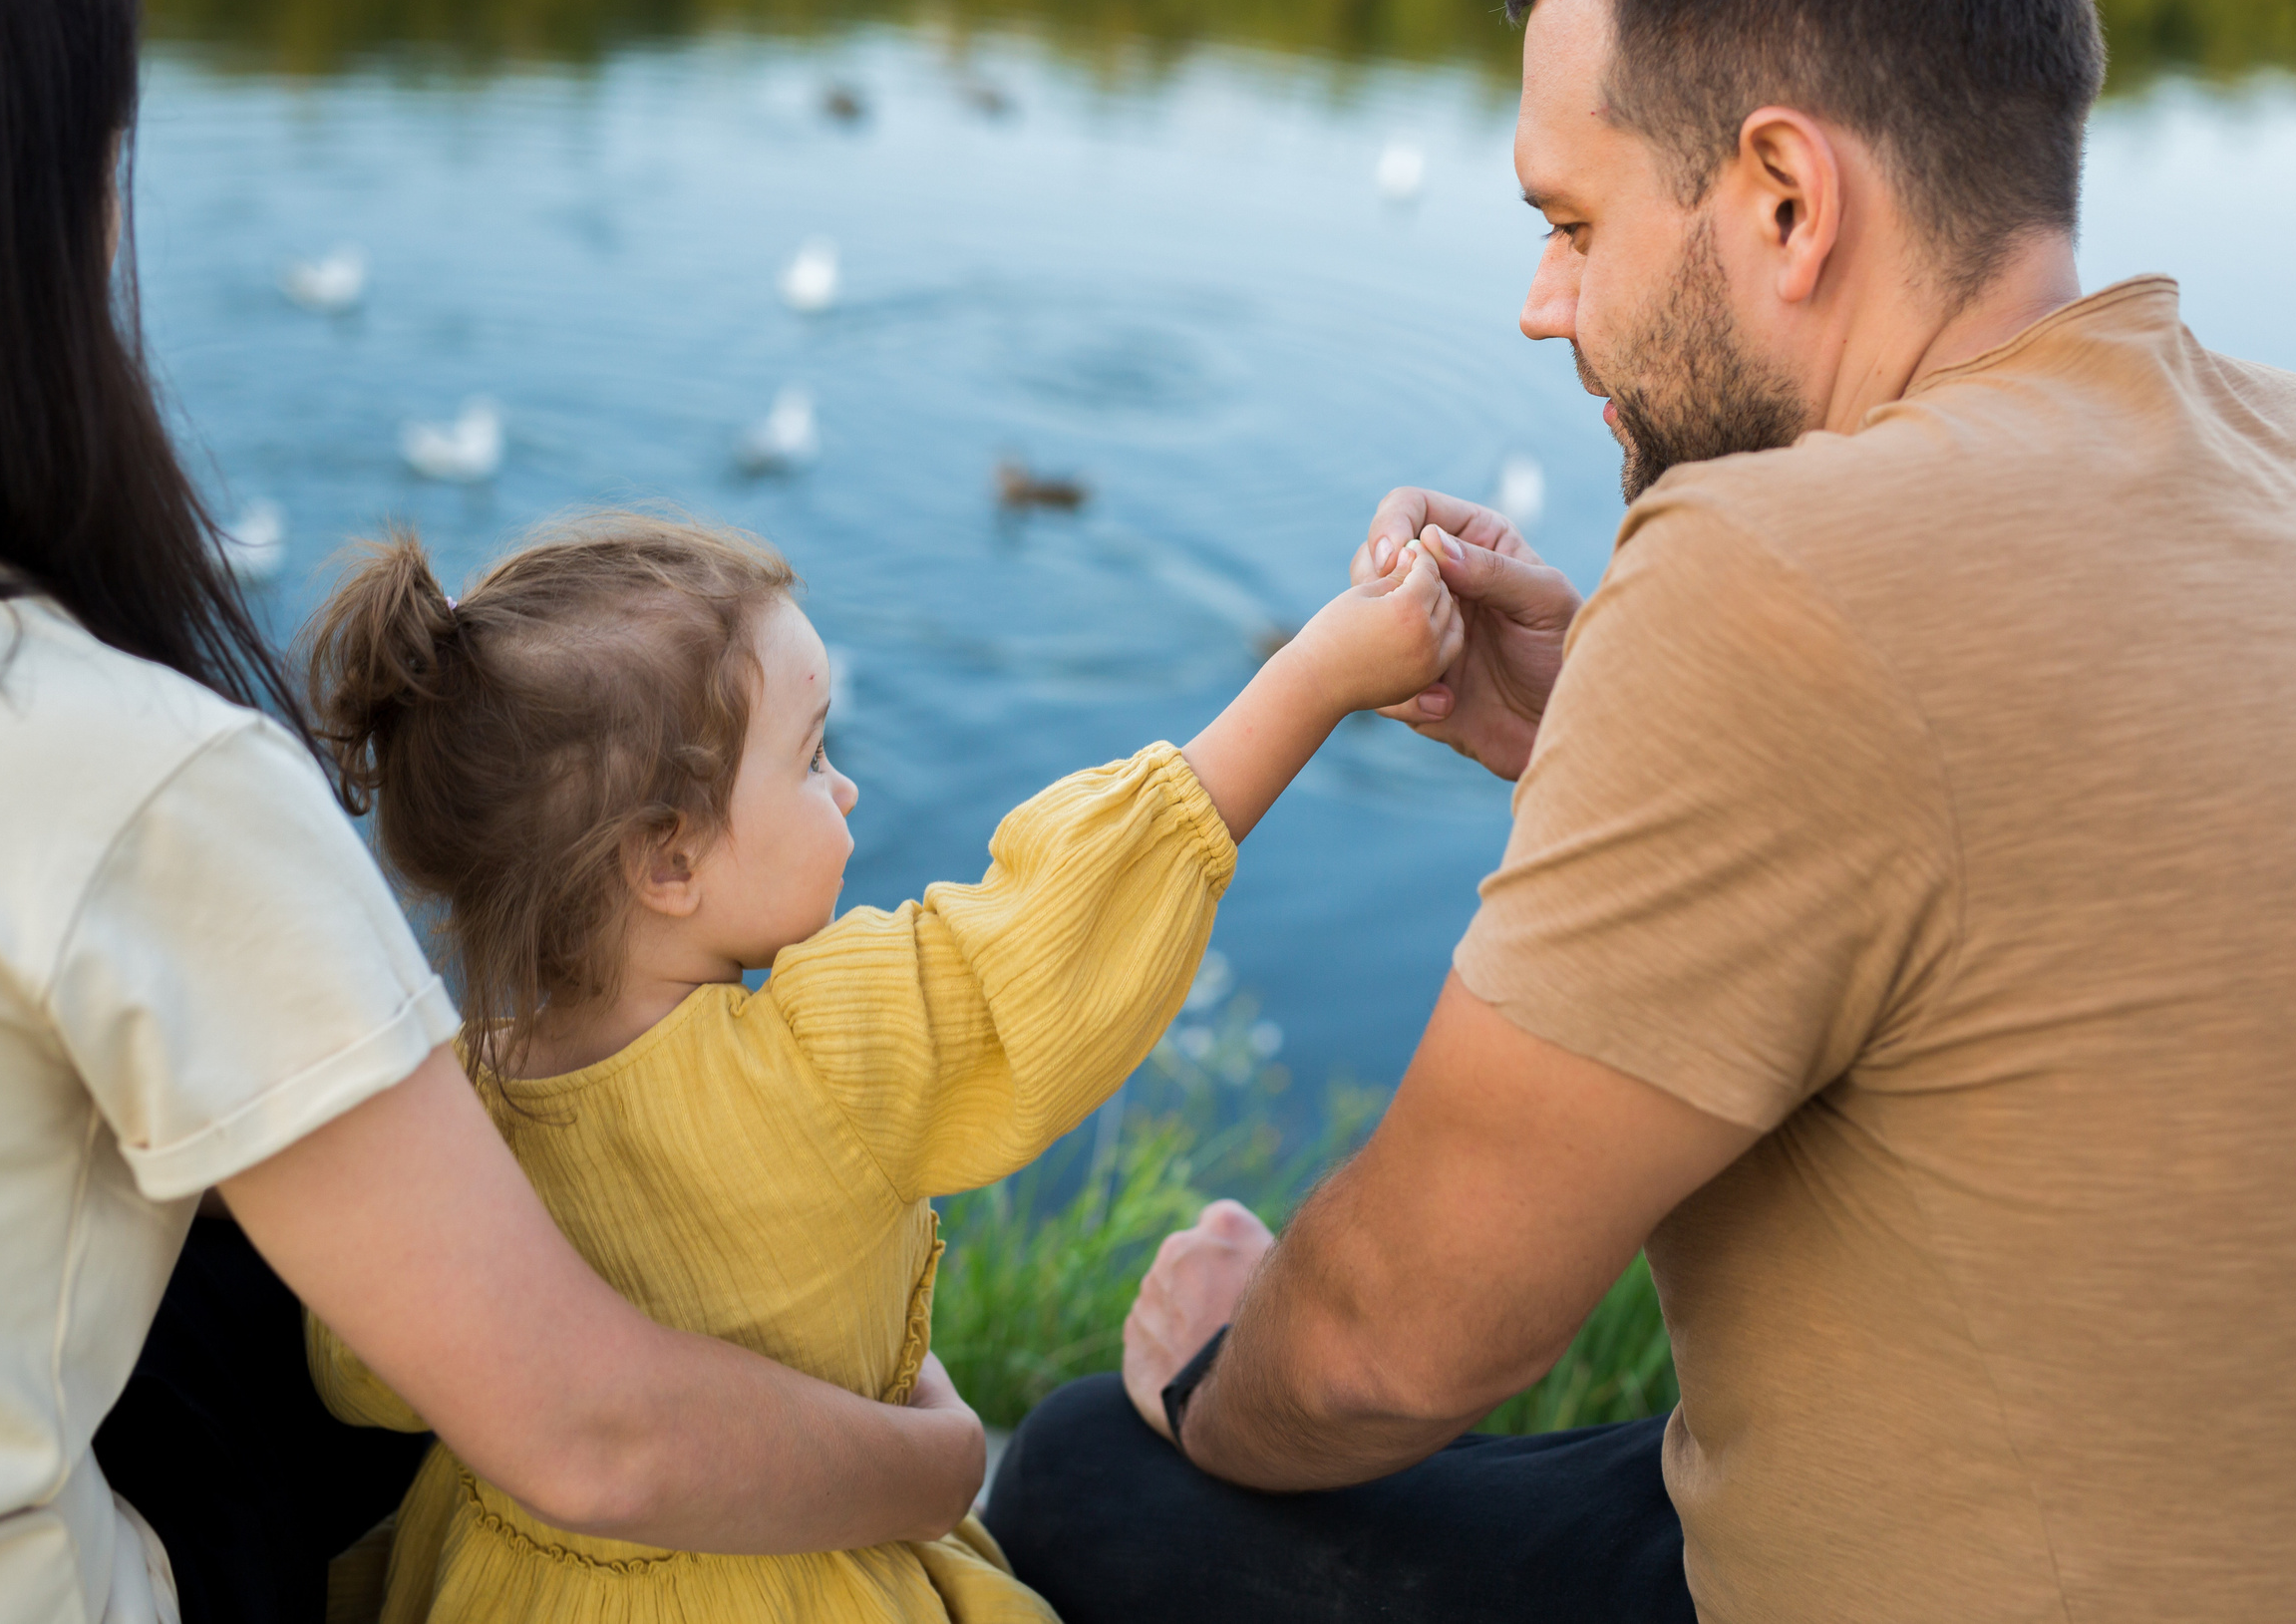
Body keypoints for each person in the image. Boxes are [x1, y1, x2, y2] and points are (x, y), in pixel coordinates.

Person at [986, 0, 2296, 1621]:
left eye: (1573, 224)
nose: (1540, 304)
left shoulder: (1771, 563)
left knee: (1089, 1469)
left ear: (1787, 198)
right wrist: (1600, 726)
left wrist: (1217, 1364)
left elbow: (1388, 1348)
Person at [0, 0, 994, 1620]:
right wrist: (946, 1462)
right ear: (35, 214)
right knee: (409, 1295)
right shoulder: (130, 775)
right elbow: (592, 1435)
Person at [290, 511, 1461, 1621]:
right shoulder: (818, 1059)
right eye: (810, 758)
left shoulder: (446, 1111)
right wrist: (1317, 677)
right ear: (667, 860)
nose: (846, 788)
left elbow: (369, 1376)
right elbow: (1047, 940)